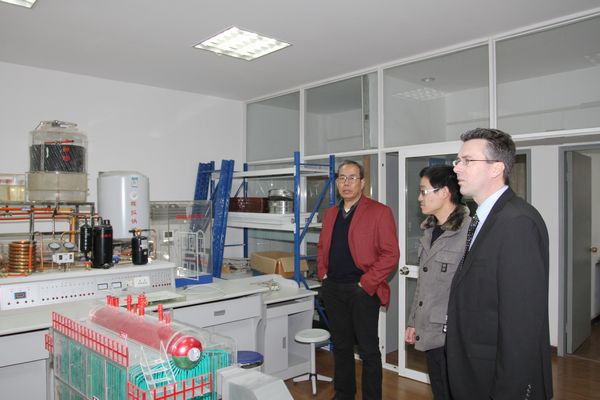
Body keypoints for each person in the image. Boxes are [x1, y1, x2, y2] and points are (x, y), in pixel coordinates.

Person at [446, 128, 553, 399]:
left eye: (467, 160)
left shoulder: (517, 223)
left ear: (496, 168)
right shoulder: (484, 218)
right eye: (457, 160)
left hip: (496, 378)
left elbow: (521, 322)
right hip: (474, 368)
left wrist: (508, 392)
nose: (456, 168)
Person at [317, 160, 400, 400]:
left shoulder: (379, 211)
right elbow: (322, 247)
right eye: (342, 178)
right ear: (336, 183)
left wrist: (366, 283)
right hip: (333, 288)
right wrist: (323, 274)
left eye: (352, 177)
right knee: (341, 346)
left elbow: (391, 254)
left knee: (368, 350)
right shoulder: (331, 214)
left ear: (362, 183)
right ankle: (344, 394)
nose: (346, 183)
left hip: (362, 291)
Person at [404, 165, 470, 400]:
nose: (419, 197)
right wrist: (413, 321)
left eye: (424, 191)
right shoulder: (430, 231)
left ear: (444, 192)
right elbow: (424, 284)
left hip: (455, 335)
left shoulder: (469, 232)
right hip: (431, 331)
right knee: (440, 390)